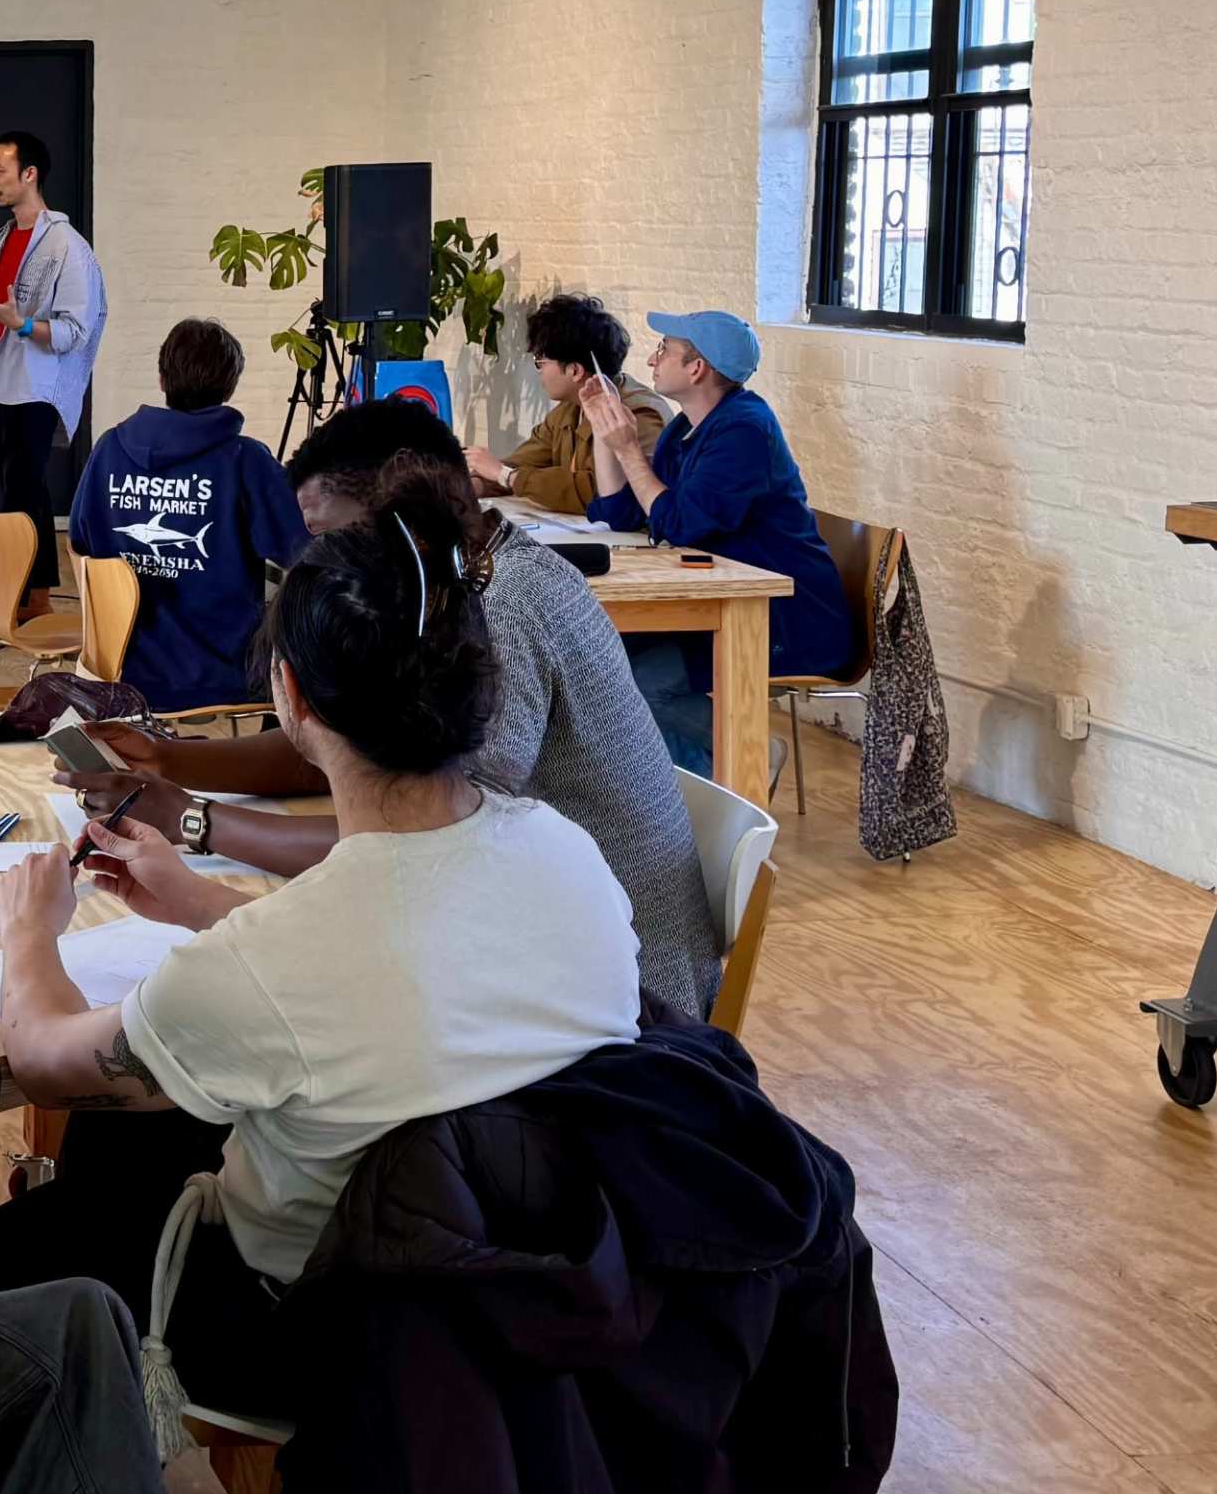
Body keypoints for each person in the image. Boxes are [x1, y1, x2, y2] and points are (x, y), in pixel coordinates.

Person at [0, 514, 643, 1427]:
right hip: (532, 1297)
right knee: (124, 1138)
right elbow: (389, 975)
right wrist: (201, 903)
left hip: (322, 1332)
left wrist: (29, 932)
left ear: (291, 696)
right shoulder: (569, 854)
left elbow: (45, 1059)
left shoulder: (277, 958)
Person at [64, 400, 721, 1018]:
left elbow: (427, 839)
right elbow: (351, 748)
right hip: (546, 951)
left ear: (401, 508)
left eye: (329, 535)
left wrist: (195, 819)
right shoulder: (464, 581)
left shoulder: (499, 608)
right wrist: (170, 759)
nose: (320, 562)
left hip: (626, 1001)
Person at [582, 310, 853, 772]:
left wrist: (628, 448)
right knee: (606, 662)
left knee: (644, 683)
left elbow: (679, 523)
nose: (651, 359)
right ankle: (711, 779)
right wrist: (603, 431)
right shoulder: (686, 428)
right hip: (723, 605)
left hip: (783, 618)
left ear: (697, 368)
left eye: (664, 349)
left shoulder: (745, 430)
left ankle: (747, 763)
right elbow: (624, 512)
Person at [67, 319, 306, 717]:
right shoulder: (245, 460)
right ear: (230, 387)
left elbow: (80, 541)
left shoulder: (109, 449)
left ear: (162, 379)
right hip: (221, 673)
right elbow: (302, 551)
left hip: (117, 667)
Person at [0, 129, 104, 617]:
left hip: (34, 391)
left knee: (25, 493)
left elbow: (76, 329)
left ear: (29, 174)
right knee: (18, 495)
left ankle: (34, 601)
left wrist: (24, 324)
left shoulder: (66, 246)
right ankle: (22, 594)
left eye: (0, 170)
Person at [465, 291, 664, 514]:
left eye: (540, 361)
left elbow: (596, 492)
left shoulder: (638, 413)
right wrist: (477, 485)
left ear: (575, 370)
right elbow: (519, 465)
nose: (539, 372)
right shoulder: (567, 411)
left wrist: (505, 475)